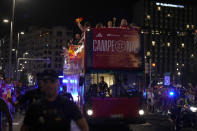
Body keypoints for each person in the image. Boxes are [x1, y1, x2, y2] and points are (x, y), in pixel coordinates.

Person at [21, 70, 89, 131]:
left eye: (52, 81)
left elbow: (84, 126)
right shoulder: (34, 107)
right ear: (42, 85)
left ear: (58, 84)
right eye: (45, 82)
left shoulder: (68, 104)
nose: (49, 85)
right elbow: (25, 128)